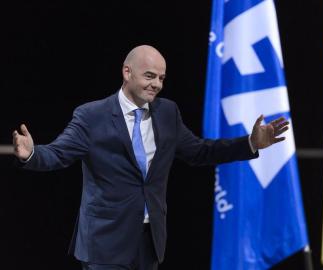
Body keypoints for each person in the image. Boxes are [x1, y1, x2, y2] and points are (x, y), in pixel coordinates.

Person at [12, 45, 289, 270]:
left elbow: (199, 151)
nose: (156, 84)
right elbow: (59, 154)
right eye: (150, 76)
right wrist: (32, 154)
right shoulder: (91, 116)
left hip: (149, 242)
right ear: (127, 72)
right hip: (104, 243)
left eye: (161, 78)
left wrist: (251, 143)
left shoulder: (168, 113)